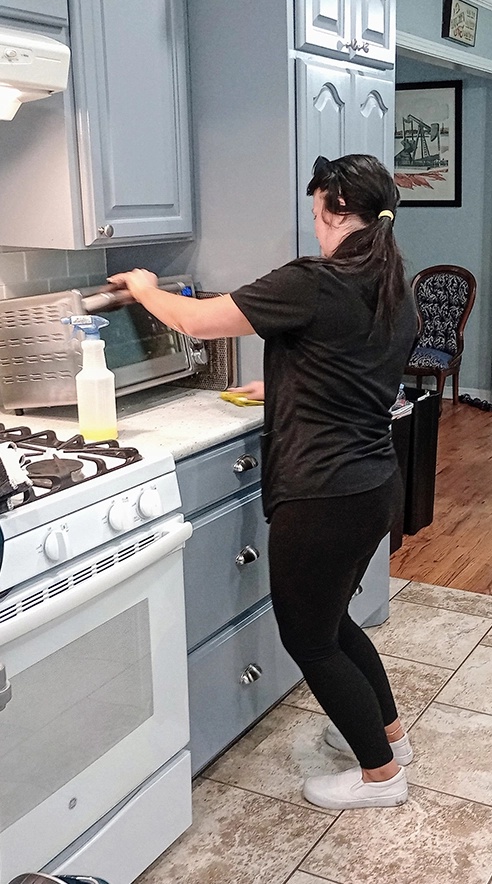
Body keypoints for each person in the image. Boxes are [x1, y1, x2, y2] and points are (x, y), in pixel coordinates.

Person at [107, 154, 418, 810]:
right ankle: (388, 736)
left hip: (323, 493)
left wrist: (142, 287)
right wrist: (281, 386)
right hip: (371, 485)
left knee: (309, 637)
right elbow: (350, 374)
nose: (315, 227)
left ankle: (382, 776)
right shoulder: (393, 286)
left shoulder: (316, 281)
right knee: (333, 621)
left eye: (317, 215)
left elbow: (197, 321)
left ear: (337, 209)